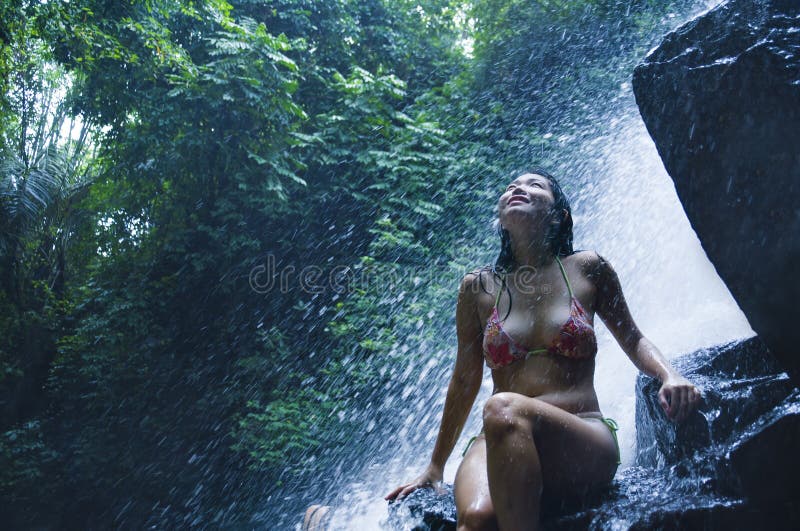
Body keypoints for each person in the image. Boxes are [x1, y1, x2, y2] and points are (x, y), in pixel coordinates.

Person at [385, 170, 702, 530]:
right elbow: (464, 378)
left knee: (504, 407)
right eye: (511, 187)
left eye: (534, 185)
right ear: (501, 217)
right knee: (476, 518)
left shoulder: (588, 269)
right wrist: (435, 466)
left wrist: (669, 375)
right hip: (498, 438)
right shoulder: (478, 287)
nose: (518, 188)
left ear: (558, 215)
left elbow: (634, 339)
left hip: (581, 435)